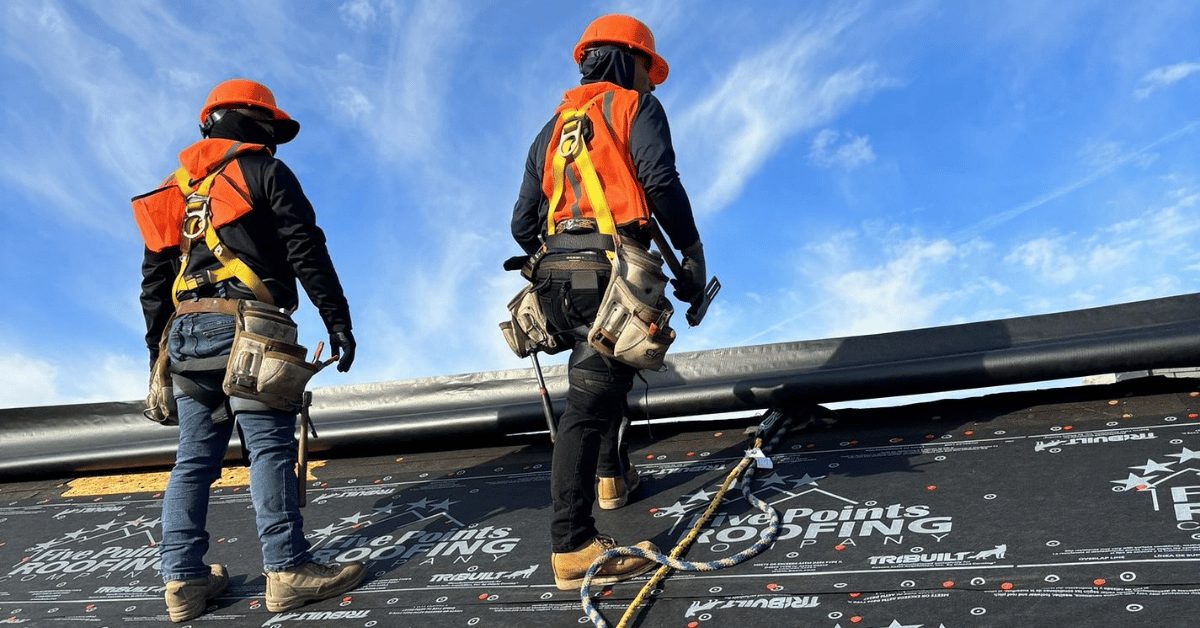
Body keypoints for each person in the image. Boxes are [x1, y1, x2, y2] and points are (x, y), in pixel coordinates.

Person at [133, 78, 365, 622]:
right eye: (269, 126)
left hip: (185, 335)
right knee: (269, 450)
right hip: (252, 328)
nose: (272, 139)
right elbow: (306, 248)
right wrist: (337, 320)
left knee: (193, 460)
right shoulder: (264, 171)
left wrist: (156, 358)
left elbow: (153, 286)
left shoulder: (169, 192)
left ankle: (183, 582)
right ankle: (287, 570)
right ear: (246, 120)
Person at [509, 15, 707, 590]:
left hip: (555, 280)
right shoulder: (634, 107)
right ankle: (572, 546)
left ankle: (612, 477)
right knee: (588, 405)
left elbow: (521, 224)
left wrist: (563, 248)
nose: (650, 81)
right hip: (611, 278)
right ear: (629, 59)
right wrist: (692, 252)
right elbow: (659, 181)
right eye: (648, 68)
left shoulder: (552, 130)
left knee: (602, 376)